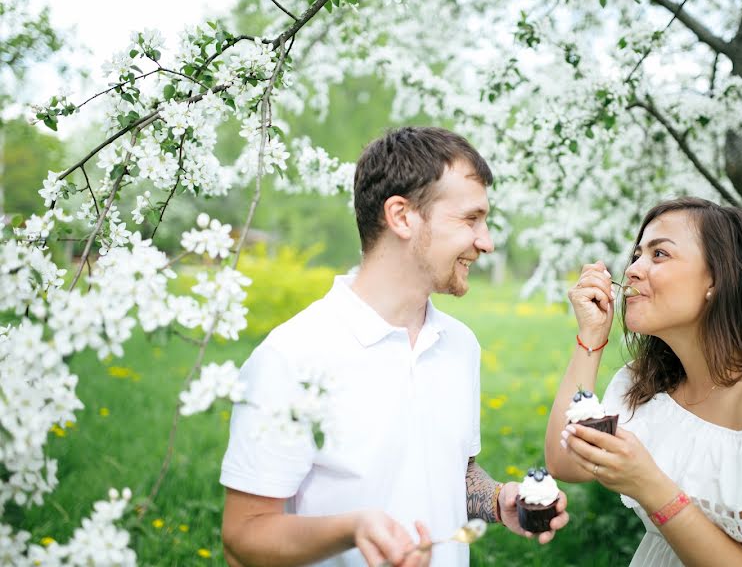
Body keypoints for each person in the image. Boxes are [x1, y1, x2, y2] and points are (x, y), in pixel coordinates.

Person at [220, 126, 569, 567]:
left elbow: (451, 474)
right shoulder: (292, 356)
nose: (487, 242)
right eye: (470, 219)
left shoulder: (459, 346)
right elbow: (243, 536)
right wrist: (352, 530)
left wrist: (499, 500)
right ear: (402, 216)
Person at [544, 197, 742, 566]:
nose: (633, 270)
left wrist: (650, 486)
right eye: (637, 255)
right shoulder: (648, 384)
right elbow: (567, 463)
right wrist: (591, 338)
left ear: (718, 280)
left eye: (659, 255)